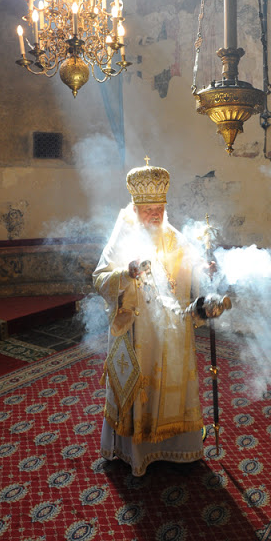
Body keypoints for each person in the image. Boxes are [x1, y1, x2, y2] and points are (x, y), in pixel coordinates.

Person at [93, 159, 210, 476]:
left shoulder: (174, 237)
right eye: (148, 210)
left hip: (171, 333)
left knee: (172, 386)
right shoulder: (122, 237)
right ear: (135, 209)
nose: (155, 215)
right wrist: (127, 272)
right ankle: (136, 453)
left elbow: (193, 272)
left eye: (159, 208)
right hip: (137, 332)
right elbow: (100, 278)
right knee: (141, 385)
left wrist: (205, 270)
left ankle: (177, 448)